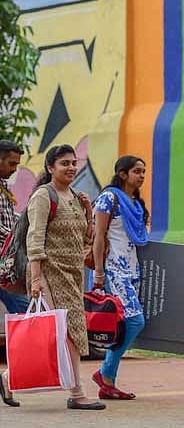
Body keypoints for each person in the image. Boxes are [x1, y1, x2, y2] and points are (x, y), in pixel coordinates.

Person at [1, 145, 105, 410]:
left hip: (72, 274)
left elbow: (84, 240)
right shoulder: (43, 196)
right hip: (47, 273)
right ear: (50, 168)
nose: (71, 168)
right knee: (65, 334)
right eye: (64, 163)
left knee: (62, 333)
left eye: (73, 163)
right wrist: (35, 280)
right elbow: (34, 239)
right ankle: (77, 393)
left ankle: (8, 378)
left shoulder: (74, 196)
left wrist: (88, 213)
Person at [91, 156, 150, 400]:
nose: (142, 176)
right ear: (123, 174)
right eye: (137, 171)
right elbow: (99, 237)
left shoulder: (136, 203)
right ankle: (104, 372)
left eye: (144, 171)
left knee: (124, 324)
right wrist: (99, 272)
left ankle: (108, 382)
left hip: (132, 270)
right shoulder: (109, 198)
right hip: (114, 270)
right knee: (136, 322)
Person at [0, 140, 29, 314]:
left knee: (22, 310)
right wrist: (16, 237)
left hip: (6, 258)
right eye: (11, 164)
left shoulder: (3, 186)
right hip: (3, 261)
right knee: (24, 312)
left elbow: (9, 218)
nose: (14, 169)